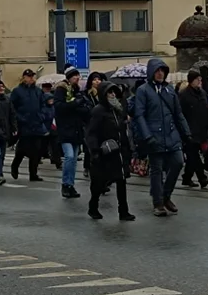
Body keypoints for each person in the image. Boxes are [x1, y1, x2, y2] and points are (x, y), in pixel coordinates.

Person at [133, 57, 191, 217]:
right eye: (157, 71)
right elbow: (139, 115)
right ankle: (158, 202)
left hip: (171, 134)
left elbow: (178, 113)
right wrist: (147, 135)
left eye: (162, 71)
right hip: (154, 135)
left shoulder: (169, 90)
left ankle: (166, 195)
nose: (160, 74)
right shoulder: (143, 90)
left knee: (178, 162)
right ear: (151, 72)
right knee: (156, 170)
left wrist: (186, 132)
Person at [84, 83, 135, 221]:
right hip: (104, 152)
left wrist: (128, 149)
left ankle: (123, 211)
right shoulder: (98, 111)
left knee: (121, 181)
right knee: (99, 183)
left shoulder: (118, 110)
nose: (113, 95)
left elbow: (123, 131)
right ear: (103, 95)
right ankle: (93, 206)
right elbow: (91, 133)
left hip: (118, 152)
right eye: (109, 93)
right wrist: (95, 150)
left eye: (114, 92)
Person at [54, 67, 91, 199]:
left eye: (78, 76)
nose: (77, 78)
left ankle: (70, 185)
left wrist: (83, 106)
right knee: (69, 157)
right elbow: (59, 107)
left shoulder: (77, 91)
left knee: (74, 159)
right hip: (65, 129)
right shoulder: (61, 89)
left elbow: (83, 110)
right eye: (74, 76)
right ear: (69, 77)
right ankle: (65, 184)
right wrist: (75, 104)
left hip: (76, 129)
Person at [179, 70, 208, 189]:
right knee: (194, 155)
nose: (199, 82)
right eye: (197, 79)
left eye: (200, 79)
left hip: (201, 129)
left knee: (192, 156)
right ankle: (202, 178)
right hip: (189, 131)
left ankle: (187, 178)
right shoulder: (184, 95)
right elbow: (180, 114)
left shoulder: (203, 93)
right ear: (191, 81)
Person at [9, 69, 46, 181]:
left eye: (32, 76)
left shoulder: (38, 91)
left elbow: (43, 105)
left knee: (37, 150)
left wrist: (42, 116)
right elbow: (12, 108)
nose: (31, 78)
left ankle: (33, 174)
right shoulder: (17, 91)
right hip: (24, 124)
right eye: (29, 76)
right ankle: (15, 165)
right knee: (23, 148)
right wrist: (20, 118)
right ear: (24, 77)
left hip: (36, 123)